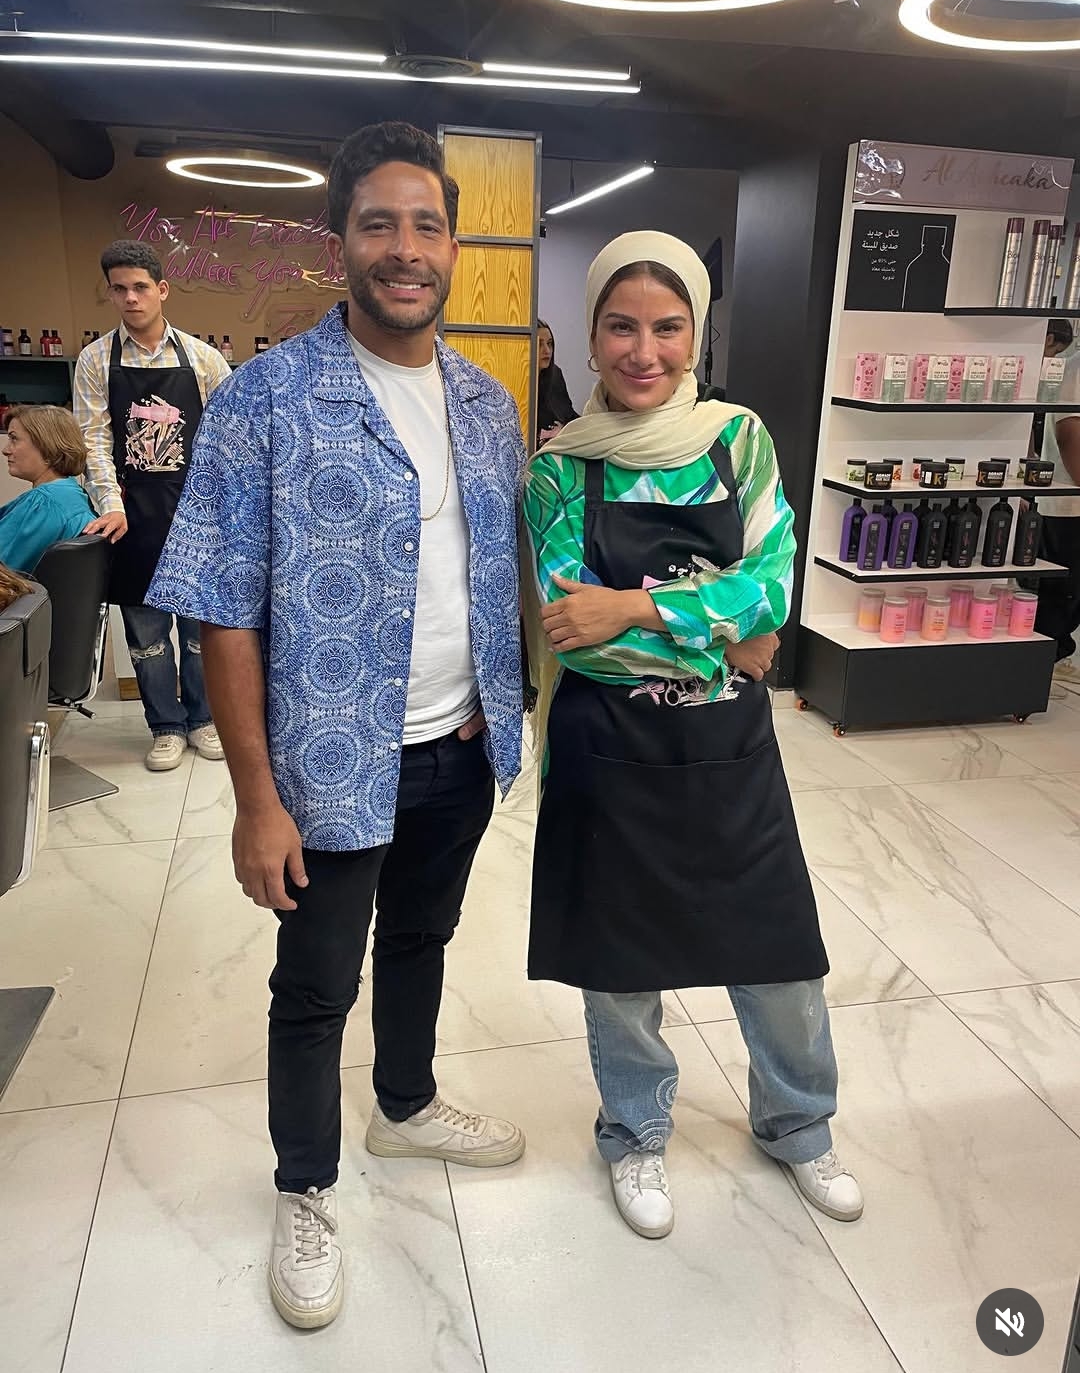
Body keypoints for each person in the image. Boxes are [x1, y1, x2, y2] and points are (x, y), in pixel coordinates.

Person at [147, 120, 527, 1330]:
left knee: (423, 940)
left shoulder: (487, 405)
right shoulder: (263, 402)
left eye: (427, 226)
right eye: (379, 224)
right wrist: (256, 800)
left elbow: (504, 573)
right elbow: (223, 612)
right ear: (340, 242)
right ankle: (305, 1185)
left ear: (453, 246)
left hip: (460, 744)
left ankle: (405, 1105)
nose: (405, 249)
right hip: (328, 768)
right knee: (315, 988)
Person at [522, 231, 862, 1241]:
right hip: (608, 745)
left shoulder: (737, 441)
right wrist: (720, 638)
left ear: (697, 334)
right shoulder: (559, 469)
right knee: (621, 961)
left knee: (779, 948)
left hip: (727, 753)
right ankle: (634, 1131)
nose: (645, 351)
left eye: (668, 328)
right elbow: (574, 631)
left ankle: (798, 1124)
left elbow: (775, 589)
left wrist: (633, 607)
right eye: (621, 327)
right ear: (591, 336)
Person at [73, 239, 233, 771]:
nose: (131, 298)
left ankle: (204, 718)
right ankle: (165, 726)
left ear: (161, 290)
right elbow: (94, 440)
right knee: (146, 635)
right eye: (119, 289)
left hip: (196, 516)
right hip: (132, 517)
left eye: (140, 287)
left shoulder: (204, 359)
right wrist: (111, 504)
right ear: (110, 293)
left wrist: (222, 508)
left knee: (199, 632)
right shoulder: (96, 360)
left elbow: (227, 441)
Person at [1034, 318, 1080, 676]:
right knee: (1059, 601)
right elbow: (1069, 434)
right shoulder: (1073, 369)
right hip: (1068, 506)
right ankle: (1035, 670)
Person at [0, 405, 95, 573]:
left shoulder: (43, 504)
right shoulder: (73, 494)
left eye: (14, 439)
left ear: (47, 446)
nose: (5, 450)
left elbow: (4, 574)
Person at [536, 319, 579, 446]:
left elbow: (568, 414)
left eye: (549, 344)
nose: (547, 351)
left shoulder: (555, 374)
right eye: (539, 344)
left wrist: (565, 430)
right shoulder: (520, 381)